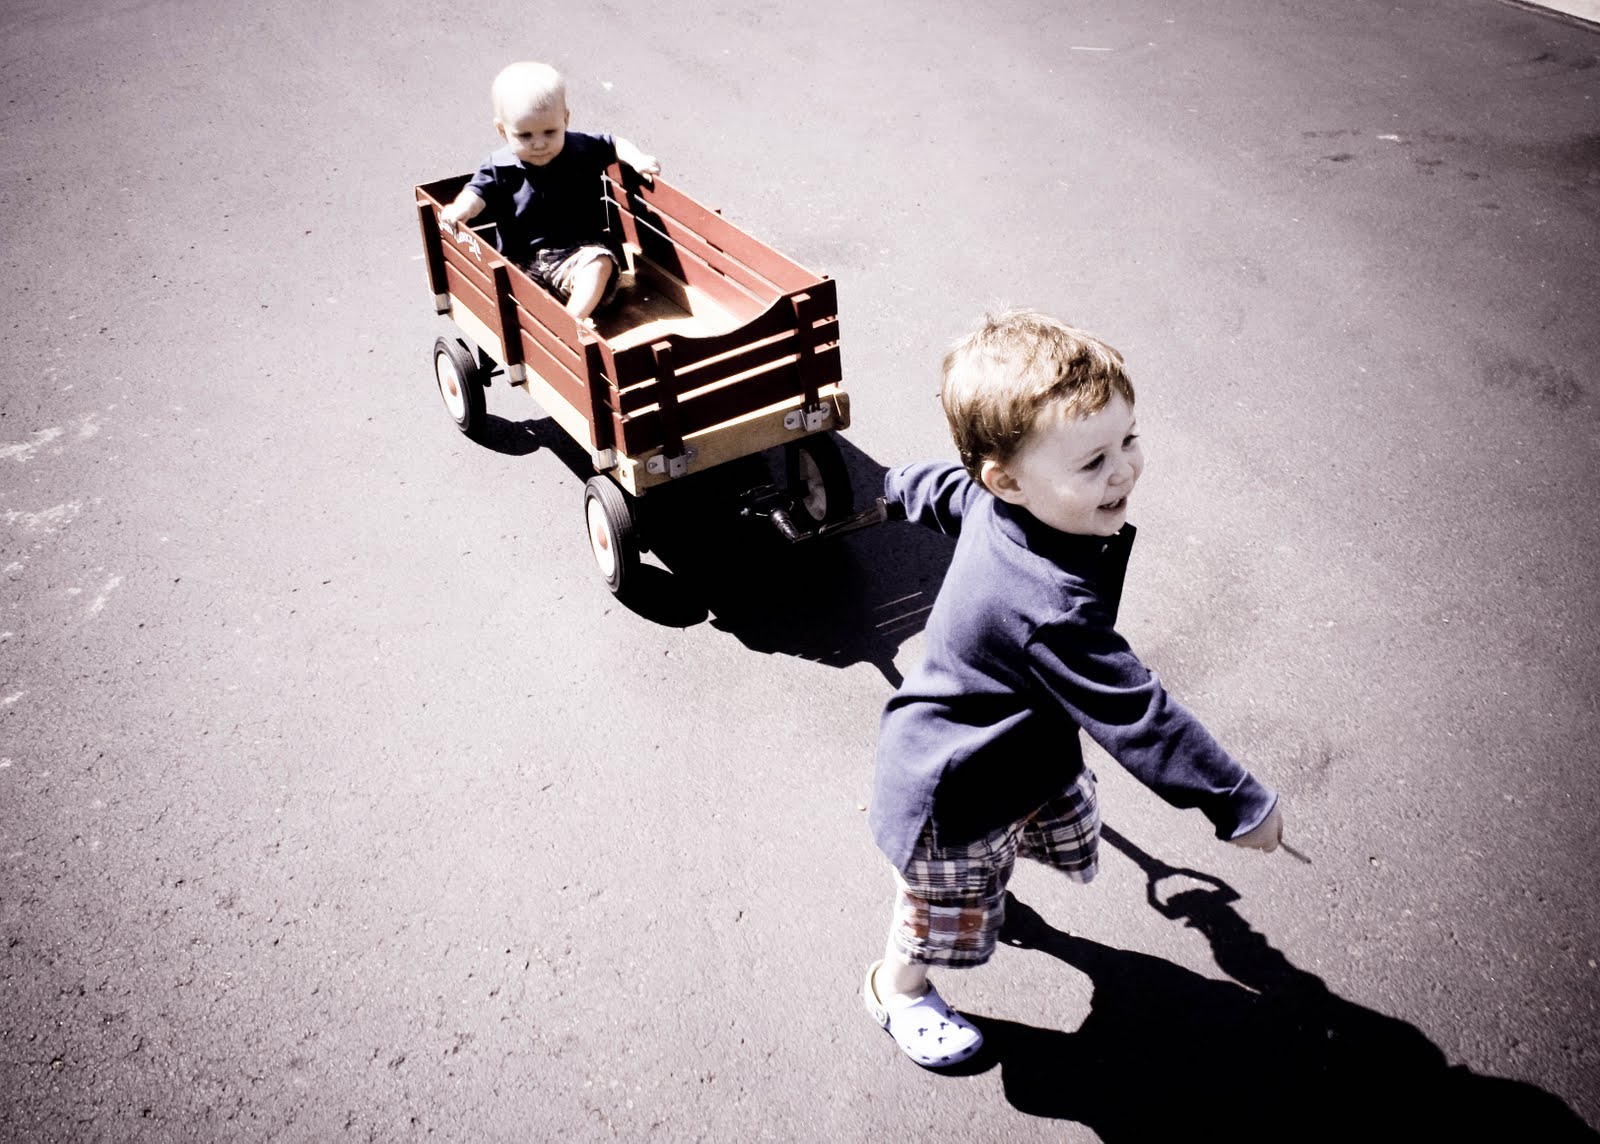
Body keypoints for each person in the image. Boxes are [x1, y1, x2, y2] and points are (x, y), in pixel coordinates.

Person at [862, 309, 1286, 1068]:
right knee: (936, 914)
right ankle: (897, 990)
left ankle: (986, 890)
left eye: (1128, 440)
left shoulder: (1000, 501)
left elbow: (949, 492)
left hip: (1016, 758)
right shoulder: (1049, 608)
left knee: (1018, 842)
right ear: (1008, 479)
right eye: (1092, 463)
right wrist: (1237, 801)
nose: (1123, 470)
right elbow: (1139, 715)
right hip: (953, 792)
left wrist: (898, 485)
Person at [438, 61, 660, 323]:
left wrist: (638, 159)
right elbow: (476, 192)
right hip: (521, 261)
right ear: (502, 130)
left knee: (599, 263)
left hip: (576, 254)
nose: (539, 144)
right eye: (525, 136)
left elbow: (614, 143)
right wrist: (461, 209)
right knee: (504, 286)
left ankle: (571, 321)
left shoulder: (580, 147)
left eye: (550, 132)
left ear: (565, 119)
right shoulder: (498, 166)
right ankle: (543, 321)